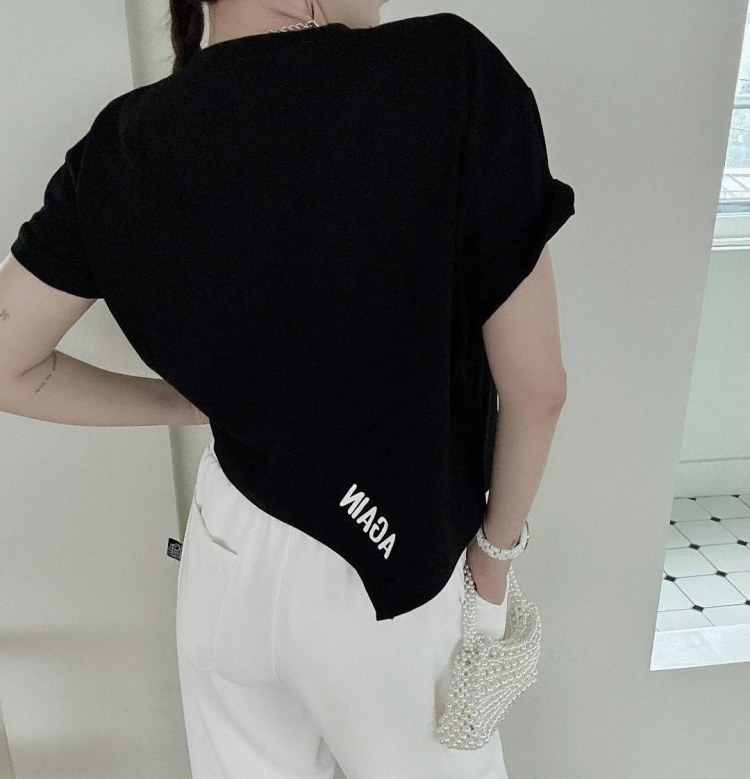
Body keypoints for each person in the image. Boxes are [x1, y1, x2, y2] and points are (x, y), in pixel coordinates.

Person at [0, 0, 575, 776]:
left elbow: (8, 362)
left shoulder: (123, 142)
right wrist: (494, 567)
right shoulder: (447, 71)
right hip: (392, 565)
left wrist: (185, 404)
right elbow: (538, 389)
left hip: (227, 546)